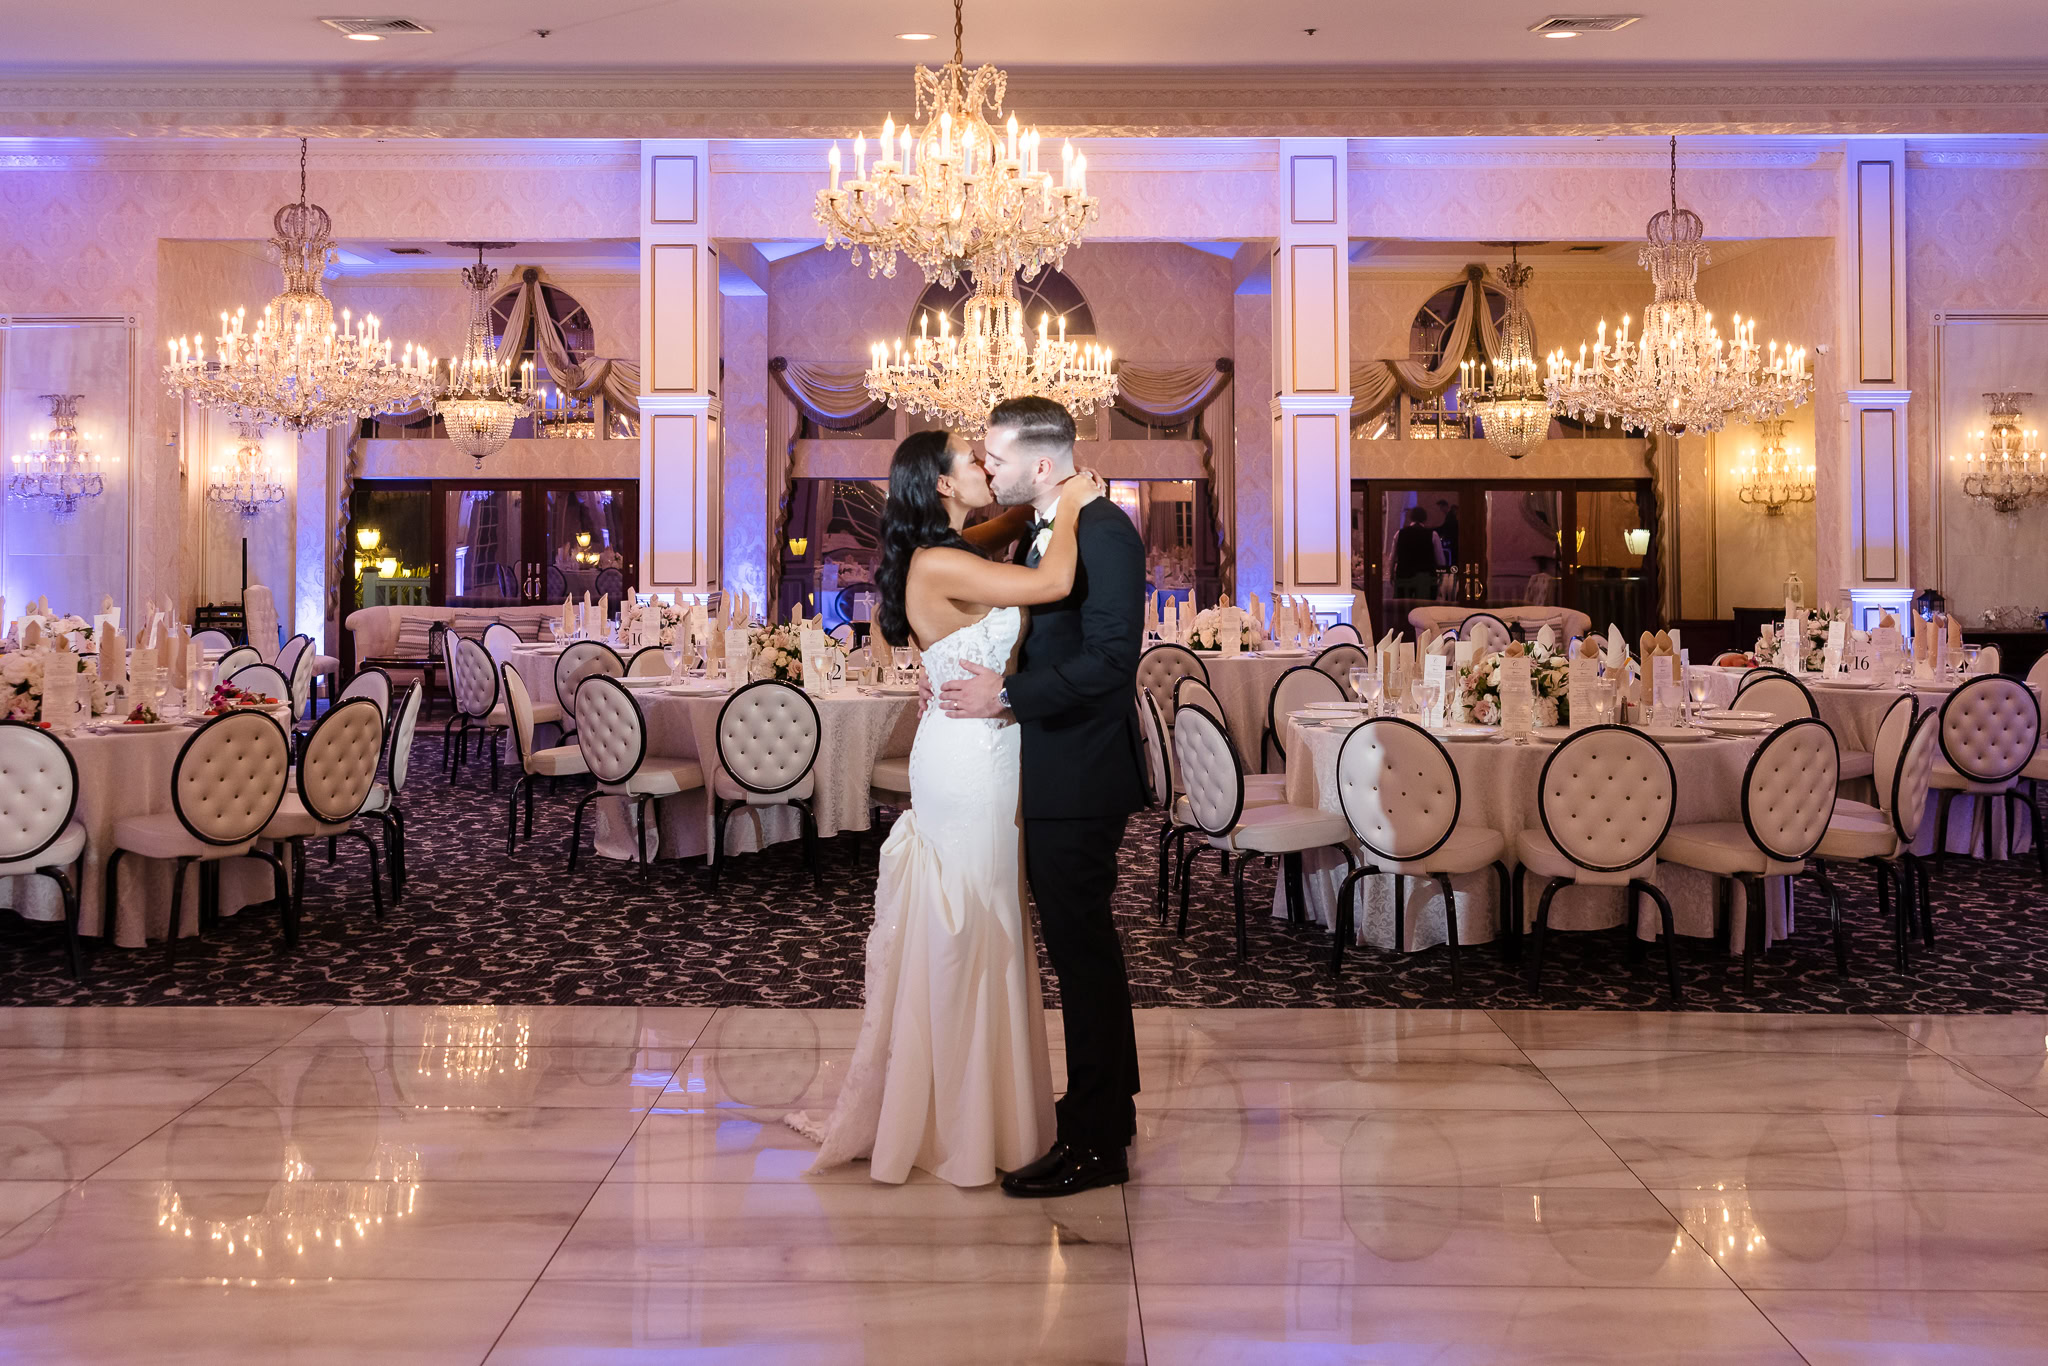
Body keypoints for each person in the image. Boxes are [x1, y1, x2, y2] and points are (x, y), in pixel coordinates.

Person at [784, 426, 1100, 1187]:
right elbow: (1054, 584)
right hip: (968, 761)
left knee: (980, 917)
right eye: (972, 460)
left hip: (972, 747)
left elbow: (1007, 527)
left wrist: (1039, 508)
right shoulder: (944, 561)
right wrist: (1078, 504)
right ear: (943, 485)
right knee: (973, 924)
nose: (986, 465)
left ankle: (967, 1104)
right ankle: (963, 1120)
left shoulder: (948, 551)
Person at [938, 396, 1148, 1199]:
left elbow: (1110, 662)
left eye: (996, 454)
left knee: (1082, 951)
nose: (987, 465)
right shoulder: (1042, 524)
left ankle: (1098, 1141)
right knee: (1079, 948)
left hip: (1083, 772)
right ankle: (1106, 1111)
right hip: (1050, 766)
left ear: (1045, 462)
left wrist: (1009, 697)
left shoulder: (1100, 530)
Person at [1391, 506, 1443, 601]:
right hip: (1425, 579)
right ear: (1425, 519)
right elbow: (1440, 560)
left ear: (1411, 517)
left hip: (1404, 577)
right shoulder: (1432, 535)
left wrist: (1391, 573)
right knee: (1424, 609)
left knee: (1402, 609)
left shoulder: (1399, 534)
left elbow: (1392, 557)